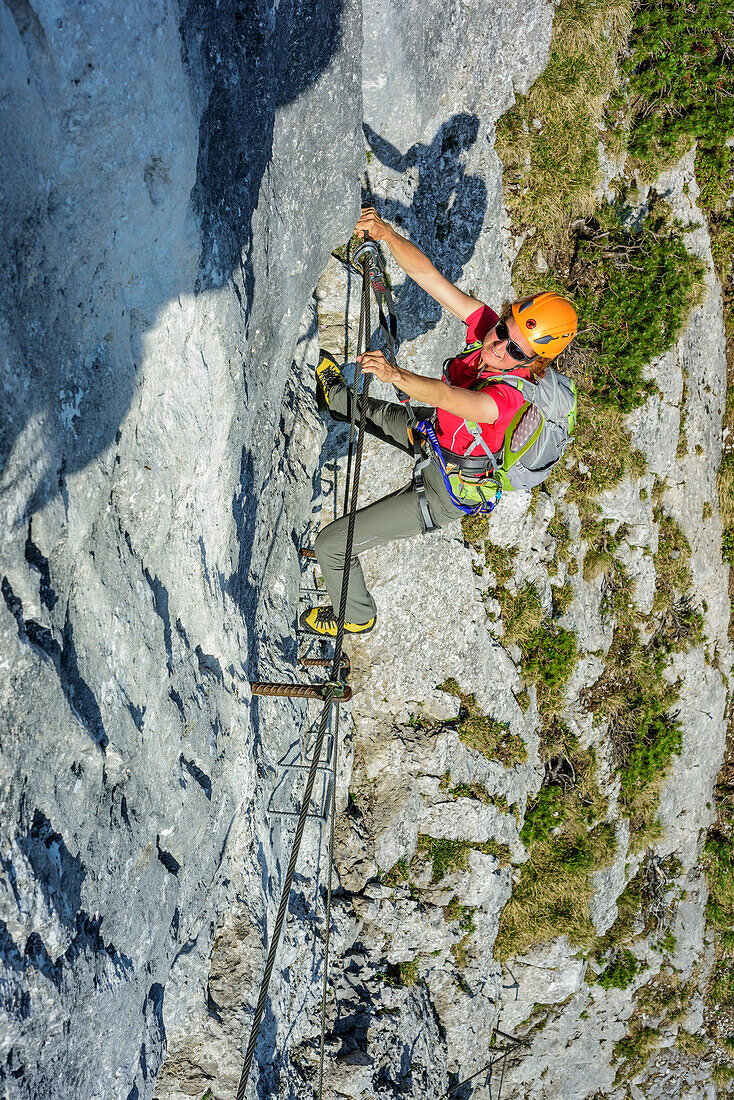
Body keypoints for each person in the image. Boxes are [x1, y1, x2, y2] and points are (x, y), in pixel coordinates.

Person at [300, 207, 578, 638]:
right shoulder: (490, 336)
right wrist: (388, 235)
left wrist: (396, 376)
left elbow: (449, 396)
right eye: (503, 330)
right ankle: (336, 399)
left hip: (443, 490)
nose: (499, 346)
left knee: (333, 544)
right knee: (373, 412)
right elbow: (432, 279)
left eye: (517, 351)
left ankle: (356, 617)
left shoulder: (504, 399)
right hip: (435, 439)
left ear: (534, 363)